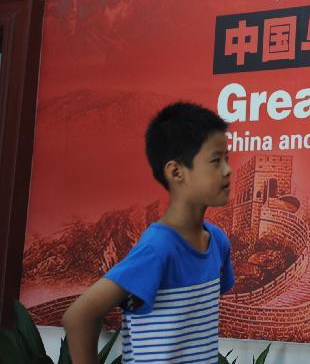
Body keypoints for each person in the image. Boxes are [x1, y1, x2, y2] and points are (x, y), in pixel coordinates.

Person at [62, 103, 234, 364]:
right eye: (215, 161)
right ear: (176, 172)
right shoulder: (159, 248)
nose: (227, 170)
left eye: (227, 160)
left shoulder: (217, 241)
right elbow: (79, 316)